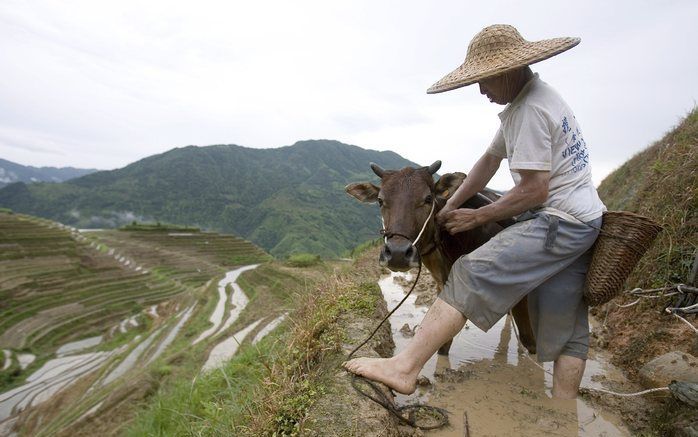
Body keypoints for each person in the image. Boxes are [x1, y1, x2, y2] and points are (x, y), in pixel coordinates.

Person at [343, 24, 606, 399]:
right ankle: (564, 414)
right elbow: (488, 160)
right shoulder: (534, 100)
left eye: (485, 81)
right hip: (586, 219)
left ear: (508, 70)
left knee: (469, 271)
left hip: (559, 221)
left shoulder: (530, 111)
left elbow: (535, 189)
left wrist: (477, 216)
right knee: (569, 323)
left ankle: (403, 368)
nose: (481, 90)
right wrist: (449, 205)